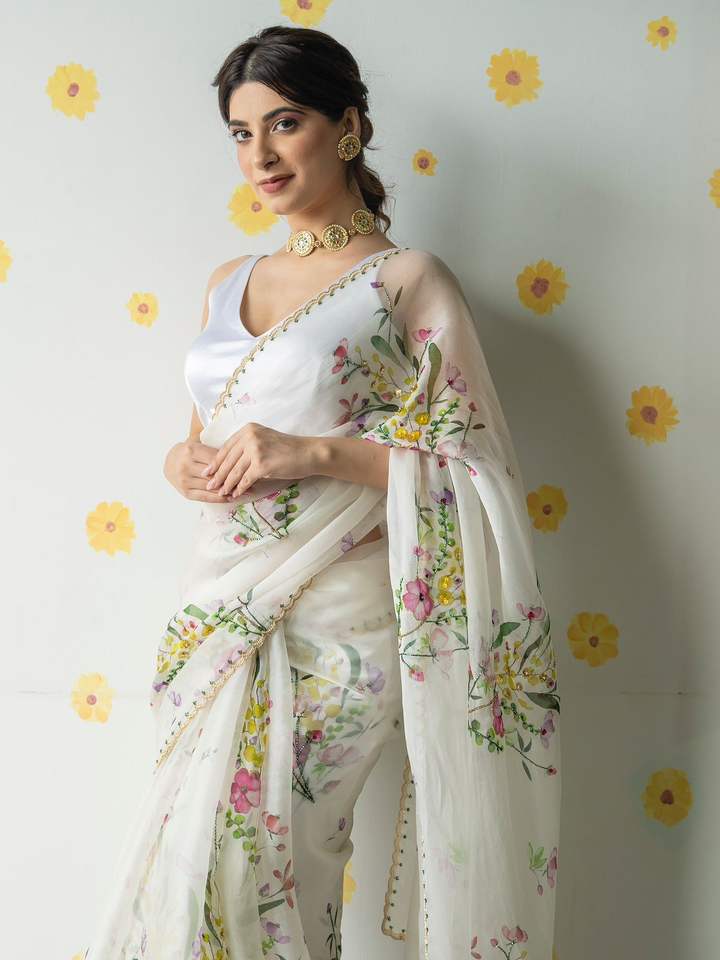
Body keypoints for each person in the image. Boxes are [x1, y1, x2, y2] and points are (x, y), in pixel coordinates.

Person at [83, 24, 561, 960]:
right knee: (192, 867)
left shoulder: (405, 282)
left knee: (270, 866)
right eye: (240, 132)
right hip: (221, 605)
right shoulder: (229, 281)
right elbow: (204, 435)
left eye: (284, 122)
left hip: (342, 620)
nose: (259, 156)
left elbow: (472, 462)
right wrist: (181, 464)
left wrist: (310, 452)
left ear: (346, 128)